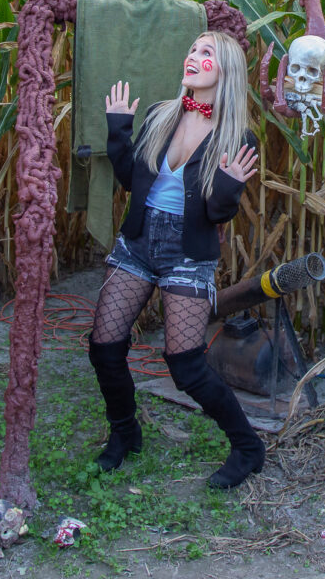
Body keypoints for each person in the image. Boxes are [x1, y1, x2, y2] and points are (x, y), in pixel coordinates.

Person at [87, 31, 264, 488]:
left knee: (185, 365)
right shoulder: (160, 115)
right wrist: (118, 129)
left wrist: (228, 186)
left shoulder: (237, 137)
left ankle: (248, 447)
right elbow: (130, 180)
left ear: (225, 71)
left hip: (187, 252)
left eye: (207, 53)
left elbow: (217, 214)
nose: (193, 56)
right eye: (192, 49)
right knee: (104, 347)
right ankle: (125, 432)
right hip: (138, 241)